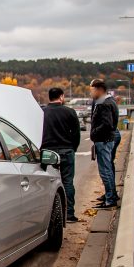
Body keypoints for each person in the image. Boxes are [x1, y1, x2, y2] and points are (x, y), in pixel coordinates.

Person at [42, 87, 81, 221]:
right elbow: (76, 134)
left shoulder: (42, 112)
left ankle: (49, 215)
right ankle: (69, 214)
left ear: (49, 97)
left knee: (48, 183)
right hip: (66, 150)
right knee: (68, 182)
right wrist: (72, 148)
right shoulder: (70, 112)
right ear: (62, 97)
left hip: (47, 152)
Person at [90, 79, 119, 208]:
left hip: (103, 140)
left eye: (92, 90)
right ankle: (110, 195)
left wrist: (94, 132)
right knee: (108, 169)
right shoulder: (110, 101)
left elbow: (107, 124)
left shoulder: (104, 104)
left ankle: (110, 199)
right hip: (107, 139)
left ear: (99, 90)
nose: (91, 93)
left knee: (105, 170)